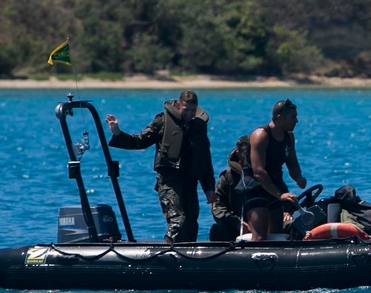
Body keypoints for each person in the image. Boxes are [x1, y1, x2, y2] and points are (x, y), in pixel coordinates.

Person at [105, 90, 216, 243]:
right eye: (186, 110)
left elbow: (204, 160)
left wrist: (209, 187)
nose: (190, 114)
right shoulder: (163, 121)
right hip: (169, 181)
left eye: (193, 110)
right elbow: (140, 141)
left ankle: (188, 259)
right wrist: (117, 132)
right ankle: (167, 256)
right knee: (178, 222)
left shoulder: (199, 126)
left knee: (191, 224)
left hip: (190, 181)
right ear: (178, 105)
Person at [243, 98, 307, 241]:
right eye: (293, 117)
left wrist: (298, 178)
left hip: (275, 182)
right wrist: (279, 195)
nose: (296, 121)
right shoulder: (261, 135)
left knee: (276, 233)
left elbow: (292, 162)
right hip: (255, 185)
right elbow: (258, 171)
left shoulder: (288, 136)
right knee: (260, 235)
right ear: (279, 118)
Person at [209, 135, 251, 241]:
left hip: (265, 223)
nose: (251, 158)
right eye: (247, 154)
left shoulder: (265, 173)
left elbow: (278, 195)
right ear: (238, 153)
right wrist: (237, 223)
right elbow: (217, 207)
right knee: (218, 230)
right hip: (237, 225)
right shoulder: (228, 177)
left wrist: (285, 212)